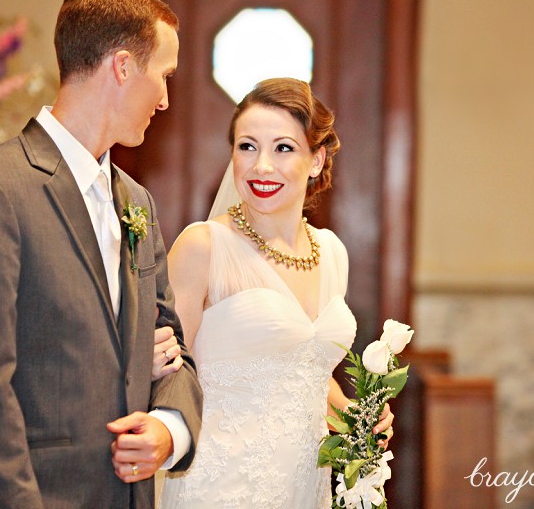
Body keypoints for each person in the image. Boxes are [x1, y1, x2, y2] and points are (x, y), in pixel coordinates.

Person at [0, 0, 202, 509]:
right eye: (164, 76)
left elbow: (172, 350)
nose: (165, 99)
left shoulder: (136, 203)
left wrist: (169, 429)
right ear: (122, 67)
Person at [158, 78, 394, 508]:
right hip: (219, 485)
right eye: (247, 147)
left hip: (305, 487)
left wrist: (358, 418)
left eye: (283, 148)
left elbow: (306, 377)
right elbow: (168, 379)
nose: (262, 166)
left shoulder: (332, 253)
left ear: (316, 159)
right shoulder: (204, 247)